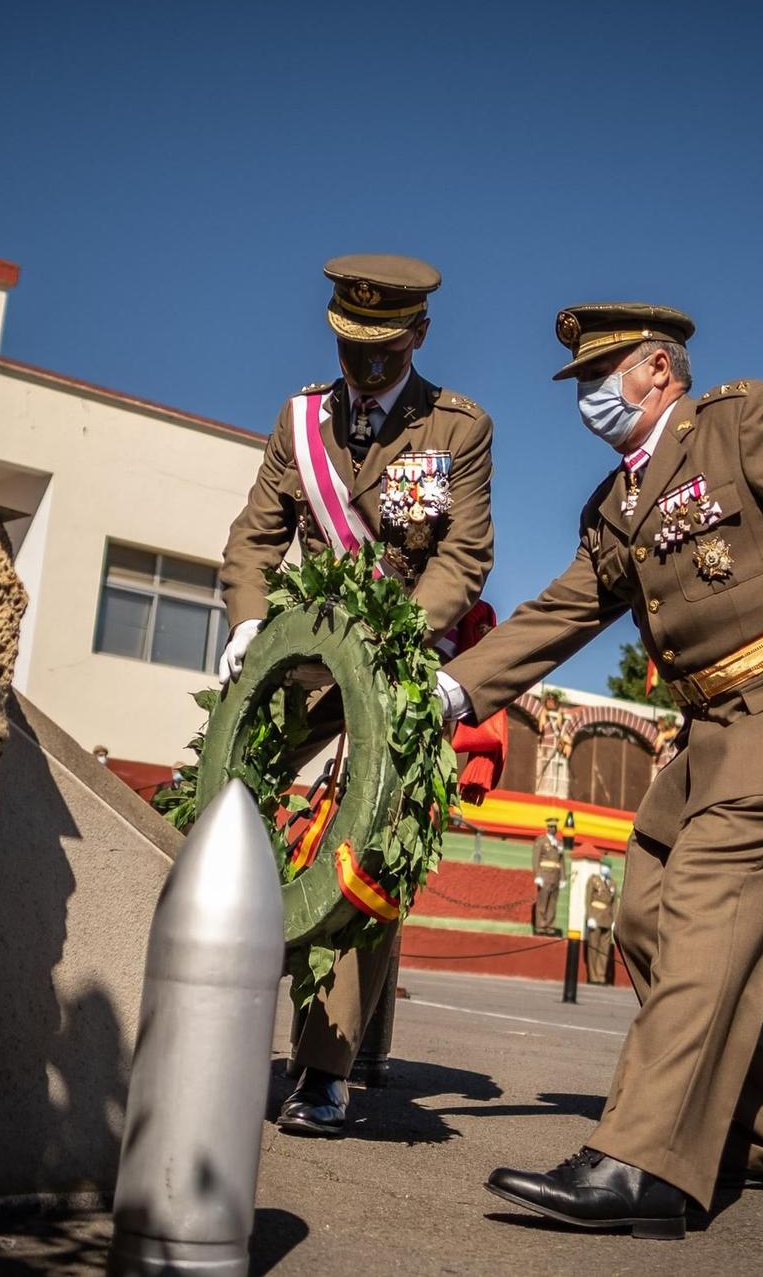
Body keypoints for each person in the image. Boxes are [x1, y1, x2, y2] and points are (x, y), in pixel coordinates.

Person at [433, 302, 763, 1237]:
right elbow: (559, 615)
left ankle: (641, 1163)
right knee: (645, 916)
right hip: (714, 734)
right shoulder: (614, 505)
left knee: (705, 894)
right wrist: (454, 693)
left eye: (602, 377)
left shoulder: (743, 423)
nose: (588, 399)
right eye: (580, 385)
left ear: (660, 368)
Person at [219, 254, 495, 1139]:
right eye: (350, 345)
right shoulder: (300, 420)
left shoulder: (459, 429)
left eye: (382, 348)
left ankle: (324, 1065)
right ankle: (307, 1022)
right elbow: (257, 536)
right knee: (237, 796)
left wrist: (403, 638)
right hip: (311, 651)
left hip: (409, 653)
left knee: (369, 837)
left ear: (417, 335)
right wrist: (245, 622)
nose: (364, 365)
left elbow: (463, 556)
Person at [585, 861, 619, 985]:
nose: (606, 869)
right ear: (600, 867)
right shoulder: (594, 880)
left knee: (604, 950)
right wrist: (589, 916)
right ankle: (593, 976)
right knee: (593, 948)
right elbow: (588, 899)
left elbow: (614, 903)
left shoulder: (612, 883)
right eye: (604, 866)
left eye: (608, 867)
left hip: (607, 918)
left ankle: (601, 976)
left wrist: (615, 920)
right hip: (595, 916)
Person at [533, 824, 566, 936]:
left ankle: (550, 926)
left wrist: (563, 877)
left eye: (555, 827)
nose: (553, 829)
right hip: (545, 874)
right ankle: (540, 926)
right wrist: (537, 875)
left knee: (553, 902)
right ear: (547, 828)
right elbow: (536, 858)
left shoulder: (559, 843)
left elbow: (561, 861)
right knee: (543, 901)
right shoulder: (541, 841)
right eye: (551, 826)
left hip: (555, 876)